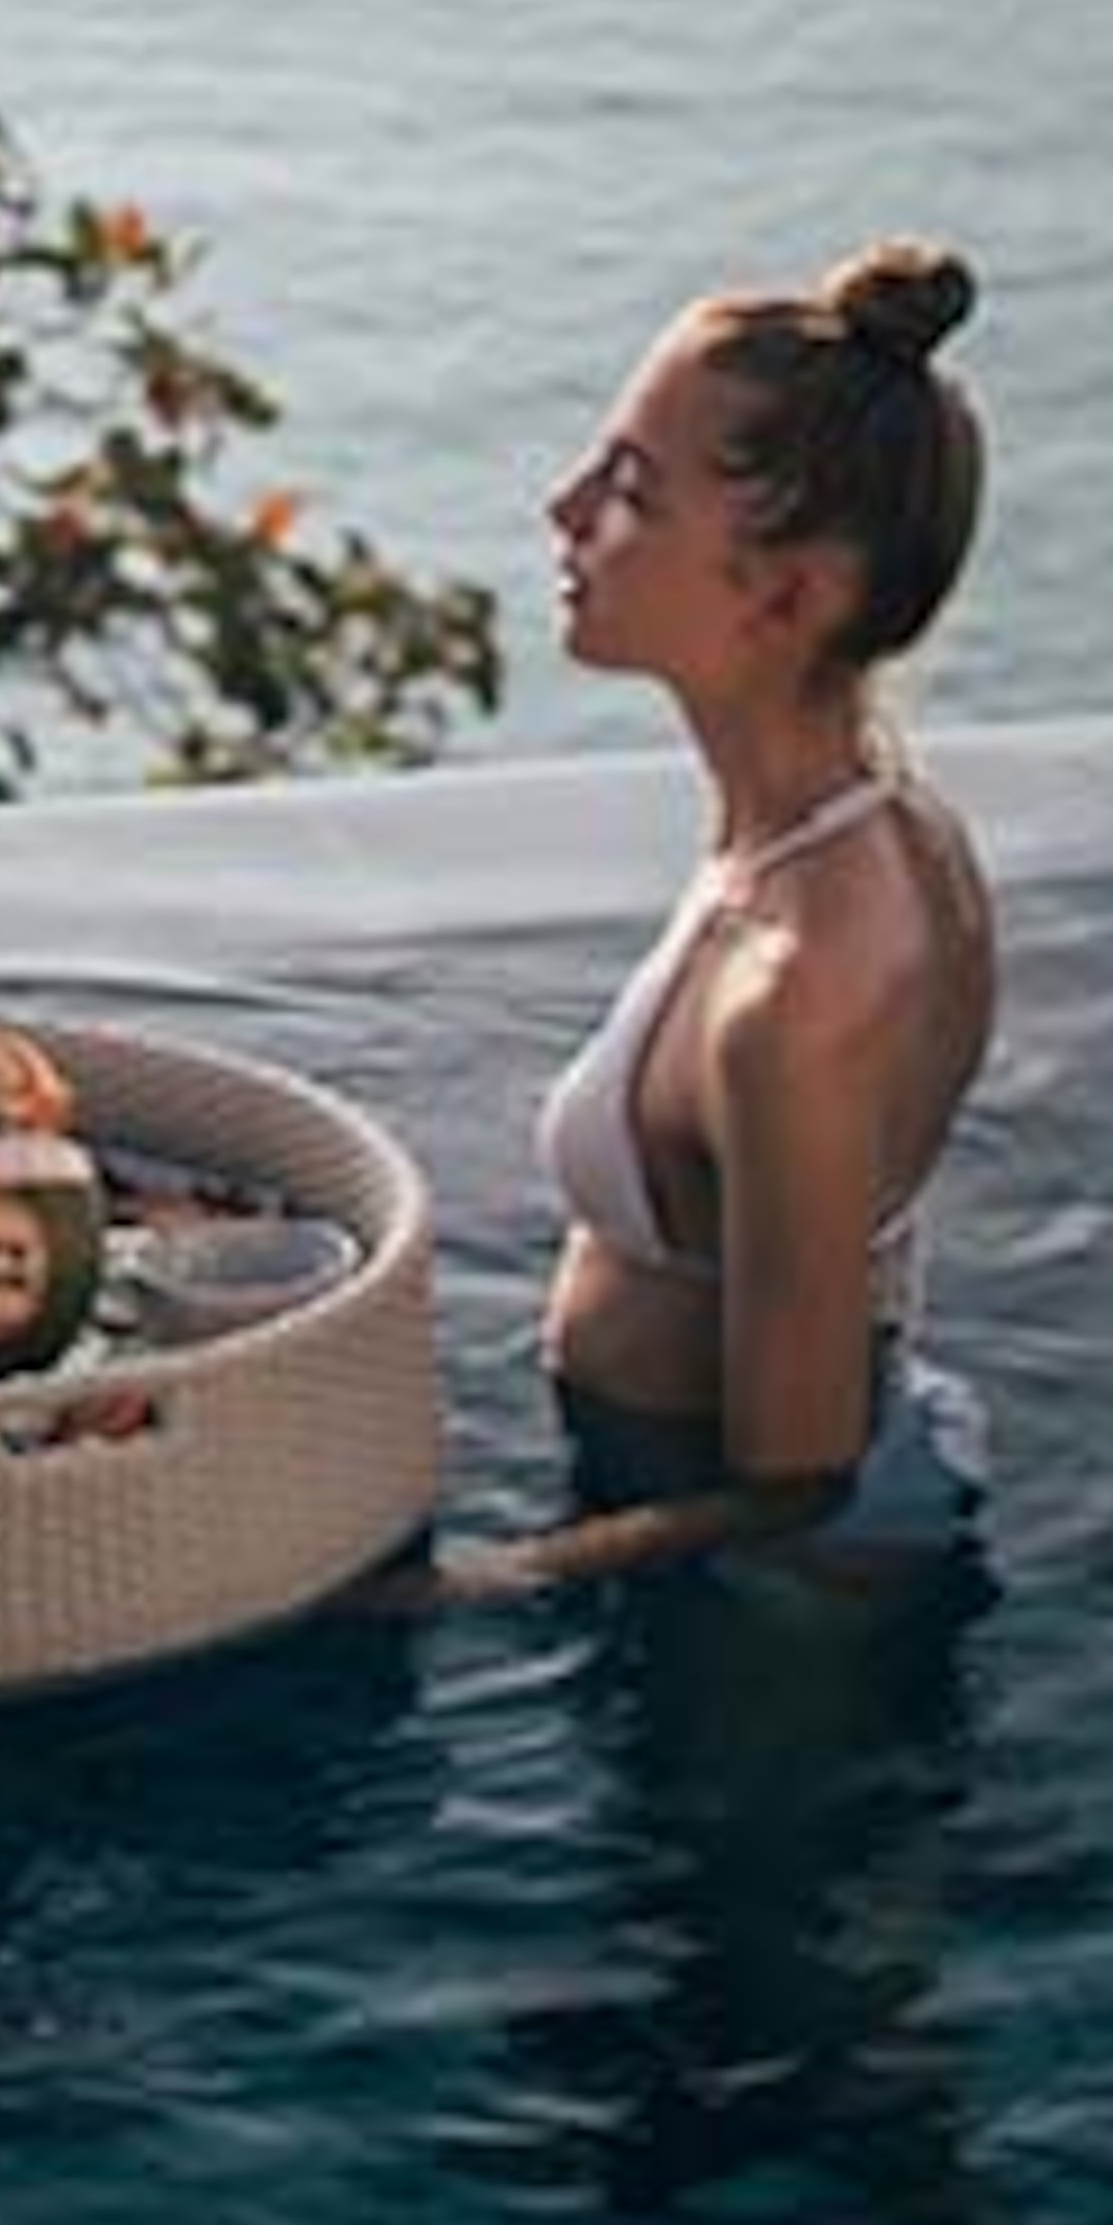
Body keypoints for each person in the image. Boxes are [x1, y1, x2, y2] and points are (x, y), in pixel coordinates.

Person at [425, 241, 997, 1607]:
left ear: (786, 595)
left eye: (629, 493)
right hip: (660, 1504)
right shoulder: (862, 821)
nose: (561, 508)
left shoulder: (796, 991)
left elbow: (796, 1482)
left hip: (756, 1636)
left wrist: (480, 1584)